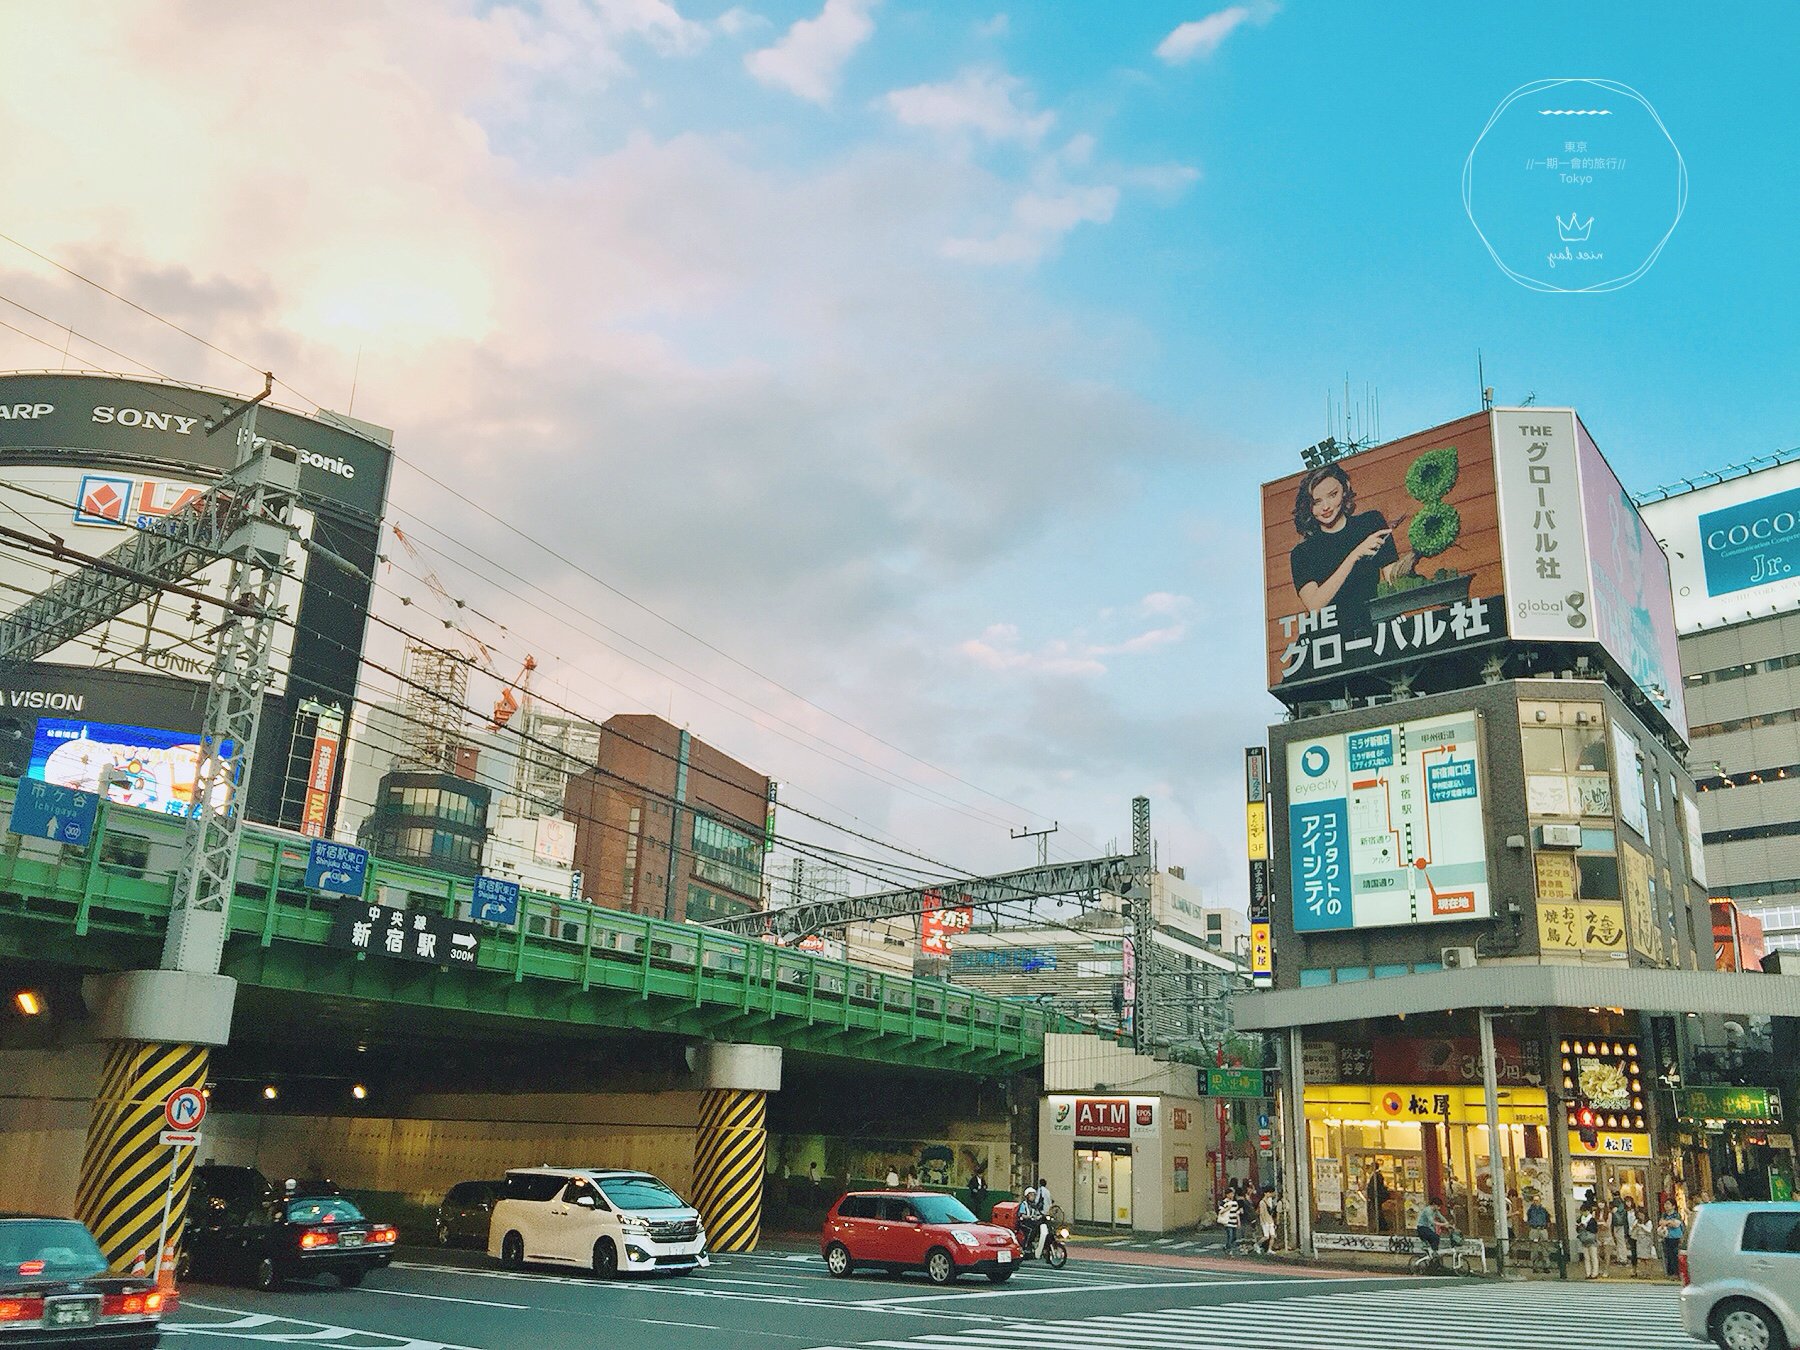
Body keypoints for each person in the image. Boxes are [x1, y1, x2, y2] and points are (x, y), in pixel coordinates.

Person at [1286, 462, 1414, 644]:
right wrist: (1354, 555)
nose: (1326, 507)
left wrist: (1416, 554)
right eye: (1317, 502)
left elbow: (1393, 579)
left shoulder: (1370, 522)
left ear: (1345, 489)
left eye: (1332, 495)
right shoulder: (1302, 553)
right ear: (1308, 506)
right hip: (1325, 641)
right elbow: (1314, 605)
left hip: (1370, 627)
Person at [1524, 1193, 1552, 1273]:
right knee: (1534, 1248)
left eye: (1537, 1200)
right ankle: (1535, 1266)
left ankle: (1546, 1266)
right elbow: (1528, 1219)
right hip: (1534, 1229)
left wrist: (1546, 1226)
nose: (1535, 1202)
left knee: (1545, 1248)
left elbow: (1548, 1219)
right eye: (1534, 1200)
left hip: (1542, 1229)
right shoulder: (1530, 1210)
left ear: (1540, 1201)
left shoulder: (1544, 1210)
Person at [1656, 1199, 1684, 1278]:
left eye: (1668, 1204)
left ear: (1673, 1206)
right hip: (1667, 1236)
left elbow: (1675, 1224)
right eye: (1665, 1204)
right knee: (1668, 1255)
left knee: (1675, 1255)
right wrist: (1669, 1222)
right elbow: (1661, 1222)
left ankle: (1676, 1273)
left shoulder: (1676, 1215)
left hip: (1675, 1237)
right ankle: (1670, 1273)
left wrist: (1667, 1222)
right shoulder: (1664, 1215)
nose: (1666, 1206)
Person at [1016, 1185, 1046, 1258]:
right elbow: (1022, 1215)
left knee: (1038, 1227)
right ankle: (1026, 1246)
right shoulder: (1024, 1204)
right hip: (1023, 1223)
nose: (1033, 1197)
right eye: (1031, 1195)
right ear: (1027, 1196)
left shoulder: (1033, 1205)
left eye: (1034, 1195)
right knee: (1030, 1230)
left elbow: (1037, 1213)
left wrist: (1040, 1216)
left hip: (1030, 1222)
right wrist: (1029, 1217)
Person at [1415, 1195, 1446, 1262]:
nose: (1439, 1208)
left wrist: (1447, 1223)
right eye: (1438, 1206)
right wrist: (1443, 1224)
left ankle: (1433, 1257)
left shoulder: (1435, 1211)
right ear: (1434, 1204)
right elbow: (1432, 1221)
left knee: (1437, 1237)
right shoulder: (1428, 1210)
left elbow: (1441, 1217)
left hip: (1428, 1228)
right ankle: (1432, 1252)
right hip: (1422, 1228)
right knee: (1434, 1237)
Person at [1576, 1197, 1602, 1279]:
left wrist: (1585, 1226)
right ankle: (1588, 1273)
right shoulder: (1580, 1219)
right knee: (1586, 1258)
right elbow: (1577, 1229)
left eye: (1584, 1211)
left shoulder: (1592, 1220)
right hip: (1584, 1240)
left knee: (1593, 1257)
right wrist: (1579, 1226)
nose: (1583, 1213)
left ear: (1588, 1211)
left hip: (1591, 1240)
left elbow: (1594, 1230)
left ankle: (1594, 1273)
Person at [1365, 1166, 1392, 1234]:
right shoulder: (1378, 1175)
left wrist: (1370, 1194)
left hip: (1376, 1196)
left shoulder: (1376, 1175)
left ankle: (1381, 1226)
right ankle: (1381, 1225)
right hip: (1376, 1196)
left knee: (1377, 1210)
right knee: (1377, 1210)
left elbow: (1375, 1187)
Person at [1217, 1187, 1242, 1254]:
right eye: (1230, 1194)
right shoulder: (1224, 1202)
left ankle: (1227, 1247)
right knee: (1230, 1235)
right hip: (1227, 1222)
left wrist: (1238, 1221)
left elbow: (1237, 1212)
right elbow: (1220, 1211)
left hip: (1234, 1221)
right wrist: (1227, 1208)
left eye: (1232, 1194)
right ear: (1227, 1194)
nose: (1232, 1195)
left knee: (1234, 1237)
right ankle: (1229, 1249)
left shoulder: (1235, 1202)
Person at [1256, 1186, 1279, 1254]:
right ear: (1265, 1193)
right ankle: (1257, 1244)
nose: (1270, 1194)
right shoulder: (1262, 1202)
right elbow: (1262, 1213)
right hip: (1265, 1221)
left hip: (1270, 1220)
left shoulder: (1270, 1200)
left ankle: (1269, 1249)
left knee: (1273, 1235)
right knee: (1266, 1236)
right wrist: (1263, 1221)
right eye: (1269, 1193)